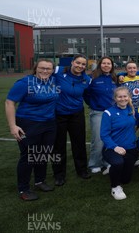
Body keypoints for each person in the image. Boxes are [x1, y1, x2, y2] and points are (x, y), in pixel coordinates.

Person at [6, 59, 59, 201]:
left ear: (53, 70)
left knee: (43, 153)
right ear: (36, 68)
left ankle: (39, 181)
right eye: (42, 68)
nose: (45, 71)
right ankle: (23, 189)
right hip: (28, 124)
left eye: (49, 68)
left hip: (49, 123)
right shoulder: (25, 83)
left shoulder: (52, 81)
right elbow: (10, 102)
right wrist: (13, 126)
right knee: (29, 156)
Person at [52, 54, 92, 186]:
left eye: (83, 64)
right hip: (59, 114)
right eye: (78, 63)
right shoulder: (58, 71)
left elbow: (88, 95)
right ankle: (59, 174)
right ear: (72, 62)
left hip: (76, 114)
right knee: (58, 145)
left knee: (79, 143)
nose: (80, 66)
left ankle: (82, 170)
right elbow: (42, 70)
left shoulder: (86, 79)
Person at [100, 87, 137, 200]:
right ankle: (115, 187)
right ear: (115, 98)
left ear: (129, 97)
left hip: (130, 148)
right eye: (119, 97)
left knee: (126, 180)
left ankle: (113, 169)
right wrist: (115, 147)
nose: (122, 99)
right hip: (112, 149)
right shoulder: (108, 113)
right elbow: (104, 135)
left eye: (125, 96)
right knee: (118, 163)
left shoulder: (131, 110)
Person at [84, 57, 117, 174]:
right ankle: (95, 163)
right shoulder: (92, 78)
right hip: (98, 112)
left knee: (110, 139)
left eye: (109, 63)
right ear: (100, 65)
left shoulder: (114, 78)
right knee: (98, 139)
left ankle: (106, 161)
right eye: (104, 63)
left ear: (112, 66)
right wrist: (94, 104)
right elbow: (86, 94)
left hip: (112, 113)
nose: (106, 65)